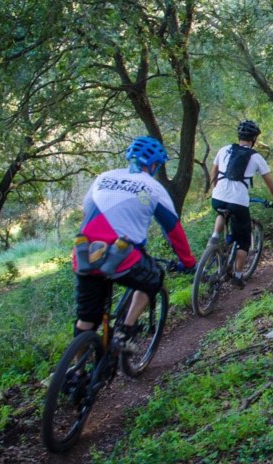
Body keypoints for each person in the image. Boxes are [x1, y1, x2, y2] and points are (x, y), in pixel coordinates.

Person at [72, 136, 197, 353]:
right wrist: (188, 262)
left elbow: (85, 211)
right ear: (155, 164)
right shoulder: (153, 187)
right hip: (122, 256)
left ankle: (76, 374)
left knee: (86, 318)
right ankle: (124, 332)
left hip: (86, 253)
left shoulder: (103, 178)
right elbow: (173, 229)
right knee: (154, 278)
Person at [209, 120, 273, 289]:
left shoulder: (224, 149)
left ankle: (214, 238)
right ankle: (238, 276)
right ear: (254, 138)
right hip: (238, 202)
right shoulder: (256, 157)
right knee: (243, 241)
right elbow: (271, 184)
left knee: (222, 213)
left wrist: (217, 190)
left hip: (218, 197)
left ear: (239, 136)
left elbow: (213, 171)